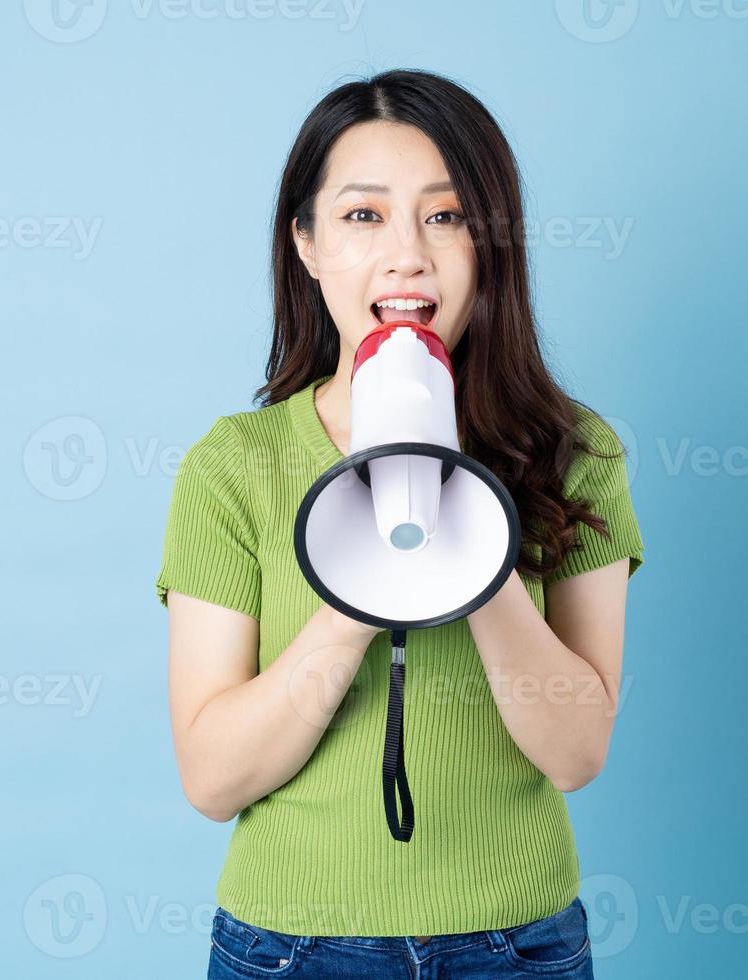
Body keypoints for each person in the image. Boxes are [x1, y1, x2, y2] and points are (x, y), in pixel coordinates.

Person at [156, 68, 644, 979]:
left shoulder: (576, 453)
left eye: (448, 216)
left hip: (518, 946)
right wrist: (361, 586)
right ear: (304, 243)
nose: (407, 255)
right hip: (290, 949)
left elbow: (577, 752)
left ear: (492, 242)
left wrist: (471, 542)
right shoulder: (233, 466)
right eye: (362, 216)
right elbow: (212, 779)